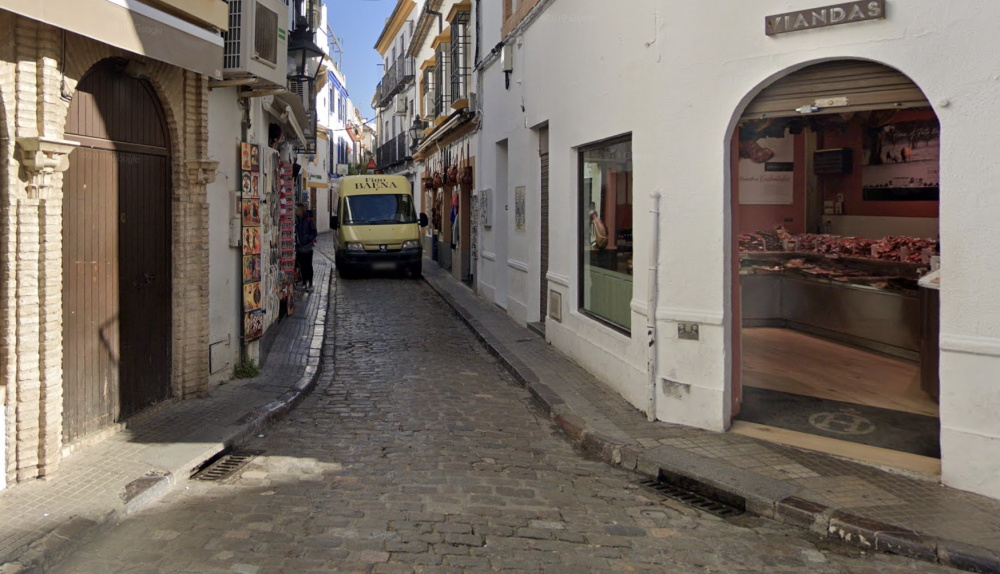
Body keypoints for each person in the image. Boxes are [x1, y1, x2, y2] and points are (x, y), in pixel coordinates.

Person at [295, 203, 318, 291]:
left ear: (302, 210)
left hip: (307, 247)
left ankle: (310, 283)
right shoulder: (296, 220)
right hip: (299, 247)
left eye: (298, 210)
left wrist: (309, 238)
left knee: (308, 265)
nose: (297, 212)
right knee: (302, 266)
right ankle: (304, 282)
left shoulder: (308, 219)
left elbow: (314, 232)